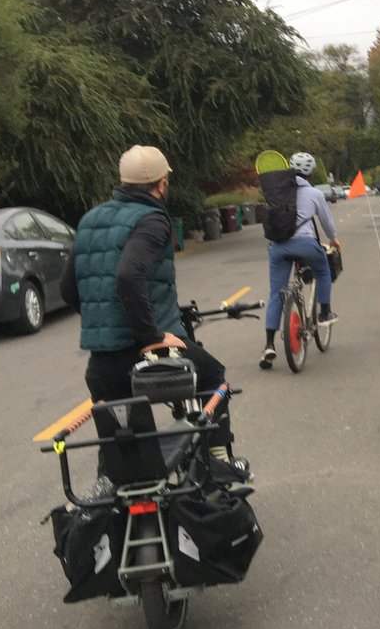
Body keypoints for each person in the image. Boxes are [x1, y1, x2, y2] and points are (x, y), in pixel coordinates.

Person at [59, 145, 244, 479]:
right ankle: (218, 459)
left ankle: (108, 487)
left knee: (116, 434)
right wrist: (153, 337)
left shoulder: (90, 220)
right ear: (161, 184)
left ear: (122, 180)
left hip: (103, 361)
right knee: (213, 376)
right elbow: (129, 276)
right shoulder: (153, 219)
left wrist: (102, 322)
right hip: (148, 354)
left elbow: (68, 290)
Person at [259, 153, 342, 370]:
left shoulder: (277, 191)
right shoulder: (314, 193)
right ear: (311, 172)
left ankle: (269, 344)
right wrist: (334, 241)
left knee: (276, 293)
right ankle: (324, 312)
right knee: (323, 270)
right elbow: (326, 223)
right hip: (306, 244)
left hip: (278, 247)